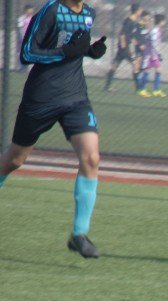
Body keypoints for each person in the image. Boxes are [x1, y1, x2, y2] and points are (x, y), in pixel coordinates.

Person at [1, 0, 107, 258]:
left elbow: (74, 50)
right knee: (15, 160)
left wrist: (90, 51)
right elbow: (27, 53)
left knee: (91, 157)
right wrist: (64, 53)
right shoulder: (50, 10)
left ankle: (79, 234)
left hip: (76, 99)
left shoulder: (89, 14)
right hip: (40, 100)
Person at [103, 3, 142, 91]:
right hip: (124, 48)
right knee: (136, 64)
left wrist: (132, 40)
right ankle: (138, 88)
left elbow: (129, 34)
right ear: (137, 11)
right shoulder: (129, 21)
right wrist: (124, 45)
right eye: (140, 10)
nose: (141, 11)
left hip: (123, 48)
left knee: (114, 66)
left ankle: (107, 86)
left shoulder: (134, 21)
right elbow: (122, 34)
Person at [137, 13, 165, 97]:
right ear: (160, 22)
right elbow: (154, 43)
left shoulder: (157, 30)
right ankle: (142, 89)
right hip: (150, 54)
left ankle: (156, 90)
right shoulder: (155, 31)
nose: (164, 23)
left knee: (158, 69)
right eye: (164, 21)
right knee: (147, 70)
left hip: (154, 54)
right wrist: (159, 54)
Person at [16, 5, 35, 72]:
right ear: (25, 11)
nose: (30, 12)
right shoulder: (21, 18)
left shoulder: (33, 18)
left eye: (31, 11)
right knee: (21, 52)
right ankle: (22, 68)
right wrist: (22, 37)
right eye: (29, 11)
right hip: (22, 38)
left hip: (30, 38)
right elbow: (20, 28)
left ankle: (27, 68)